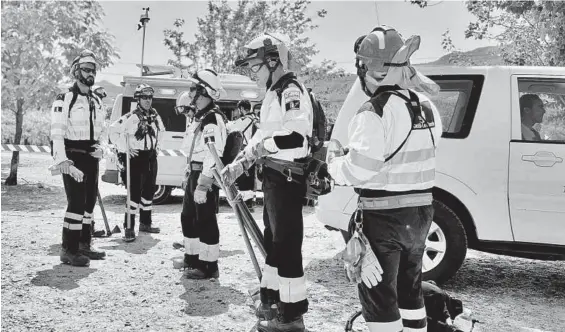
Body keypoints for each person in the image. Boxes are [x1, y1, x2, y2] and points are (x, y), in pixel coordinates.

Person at [328, 26, 443, 332]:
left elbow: (359, 170)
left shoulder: (373, 111)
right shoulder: (426, 107)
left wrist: (334, 165)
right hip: (420, 216)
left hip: (383, 217)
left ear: (370, 70)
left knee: (379, 296)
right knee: (410, 292)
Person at [222, 32, 313, 332]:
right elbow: (263, 137)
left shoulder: (291, 91)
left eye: (255, 66)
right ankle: (271, 301)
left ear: (273, 61)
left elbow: (296, 138)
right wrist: (240, 163)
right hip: (274, 178)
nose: (252, 73)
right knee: (274, 244)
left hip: (287, 179)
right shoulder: (273, 94)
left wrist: (263, 148)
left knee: (286, 247)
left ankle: (292, 316)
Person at [50, 50, 107, 266]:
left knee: (89, 203)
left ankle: (85, 245)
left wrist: (102, 149)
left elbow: (103, 131)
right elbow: (56, 133)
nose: (90, 73)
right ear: (76, 71)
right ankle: (69, 250)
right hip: (72, 157)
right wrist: (63, 162)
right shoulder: (64, 99)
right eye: (86, 69)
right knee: (76, 203)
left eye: (93, 70)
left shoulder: (97, 100)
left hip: (92, 157)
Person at [179, 69, 228, 280]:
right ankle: (192, 260)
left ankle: (209, 266)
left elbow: (213, 154)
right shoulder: (201, 117)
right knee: (188, 218)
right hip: (194, 173)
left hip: (203, 176)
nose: (190, 94)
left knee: (205, 221)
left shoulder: (212, 119)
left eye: (193, 89)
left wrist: (203, 184)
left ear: (204, 91)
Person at [109, 84, 164, 242]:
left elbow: (162, 131)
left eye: (150, 97)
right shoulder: (131, 117)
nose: (148, 100)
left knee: (149, 191)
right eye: (144, 97)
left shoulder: (154, 116)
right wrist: (124, 148)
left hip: (151, 157)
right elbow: (113, 131)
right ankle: (129, 227)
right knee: (133, 194)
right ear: (138, 99)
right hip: (136, 158)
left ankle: (145, 223)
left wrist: (157, 147)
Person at [227, 99, 259, 210]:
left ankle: (245, 204)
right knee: (251, 177)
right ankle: (251, 202)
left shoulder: (244, 120)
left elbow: (230, 129)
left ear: (241, 109)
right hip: (255, 151)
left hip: (245, 151)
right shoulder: (256, 119)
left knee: (243, 177)